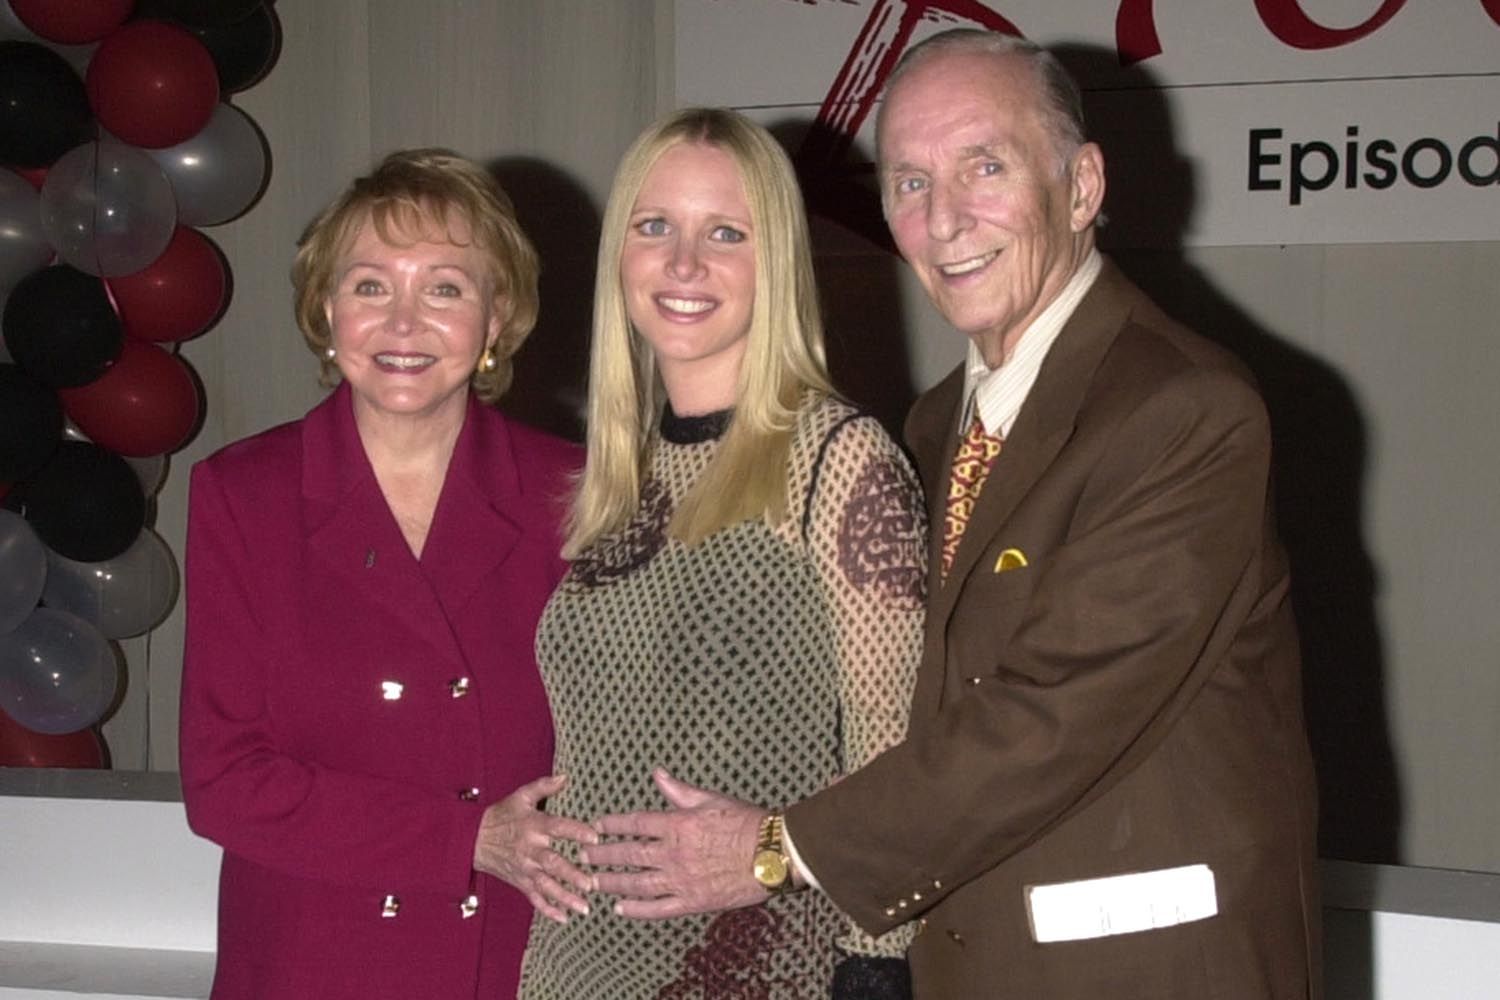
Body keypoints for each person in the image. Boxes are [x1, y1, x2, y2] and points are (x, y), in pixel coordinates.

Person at [585, 30, 1323, 1000]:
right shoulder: (937, 422)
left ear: (1084, 185)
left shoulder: (1182, 410)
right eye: (908, 183)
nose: (946, 219)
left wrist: (773, 849)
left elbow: (1048, 717)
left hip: (1145, 970)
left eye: (986, 166)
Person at [511, 107, 927, 998]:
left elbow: (896, 761)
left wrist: (874, 962)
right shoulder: (619, 476)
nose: (684, 263)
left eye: (725, 233)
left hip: (767, 970)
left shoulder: (836, 459)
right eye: (654, 225)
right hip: (574, 972)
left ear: (774, 262)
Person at [179, 149, 597, 999]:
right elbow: (223, 784)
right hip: (310, 962)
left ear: (497, 317)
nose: (403, 322)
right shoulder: (244, 493)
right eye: (371, 286)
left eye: (444, 287)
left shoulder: (579, 492)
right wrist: (464, 840)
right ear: (327, 311)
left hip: (518, 963)